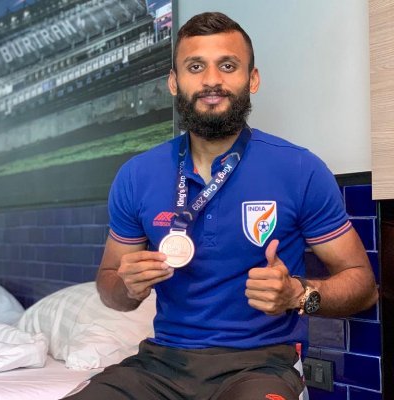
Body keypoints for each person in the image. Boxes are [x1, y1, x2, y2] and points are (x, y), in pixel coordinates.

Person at [64, 11, 378, 400]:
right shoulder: (136, 175)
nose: (211, 80)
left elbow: (363, 286)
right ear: (174, 82)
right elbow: (109, 285)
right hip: (161, 365)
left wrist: (298, 294)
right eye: (195, 67)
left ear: (252, 79)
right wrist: (127, 287)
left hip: (261, 366)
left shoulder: (300, 168)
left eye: (227, 66)